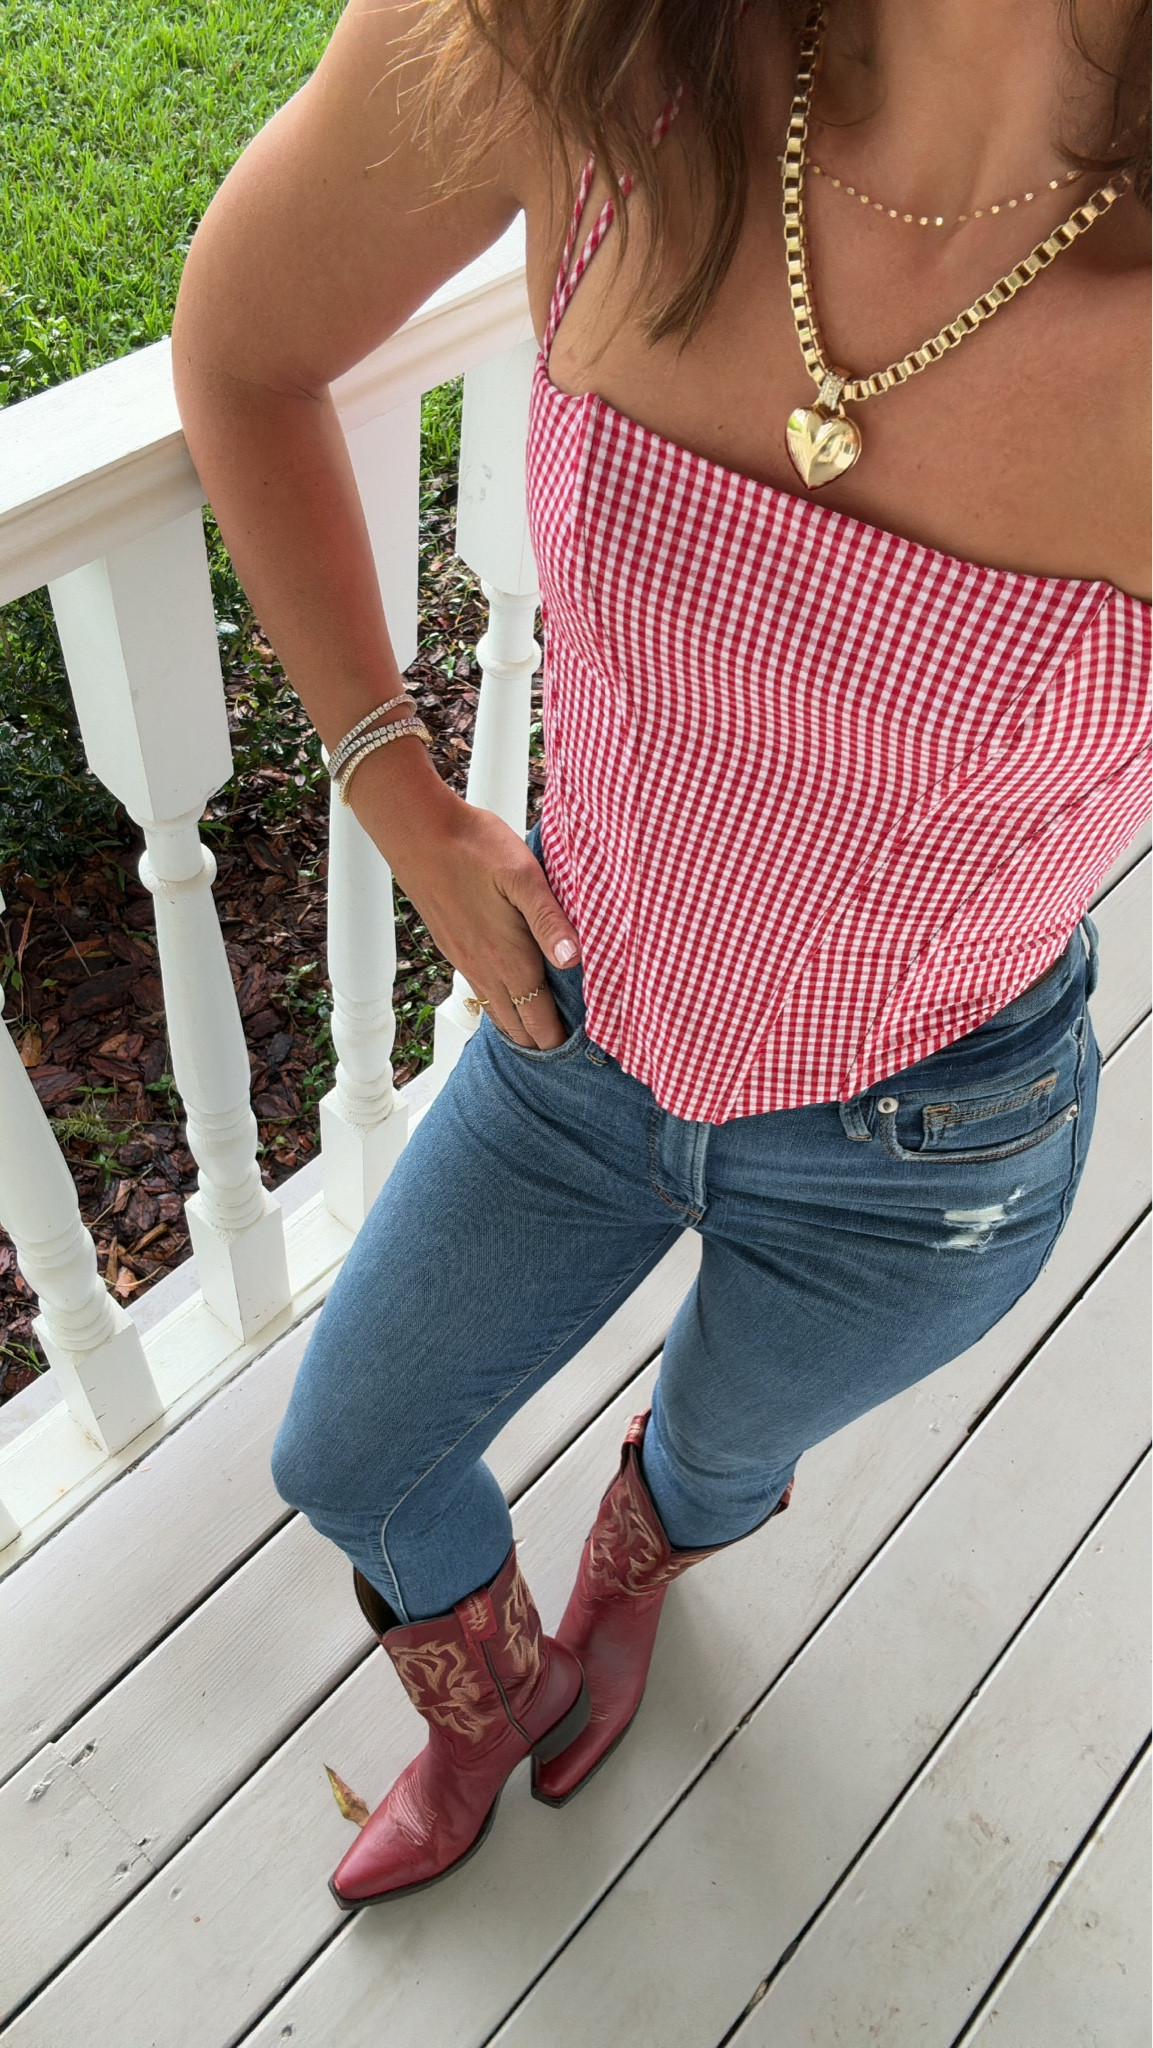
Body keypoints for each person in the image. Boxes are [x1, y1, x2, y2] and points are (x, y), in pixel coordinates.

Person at [172, 0, 1150, 1909]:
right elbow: (247, 348)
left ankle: (629, 1591)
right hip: (570, 1031)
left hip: (927, 1159)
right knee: (350, 1449)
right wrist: (399, 795)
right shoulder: (576, 42)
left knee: (715, 1452)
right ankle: (486, 1703)